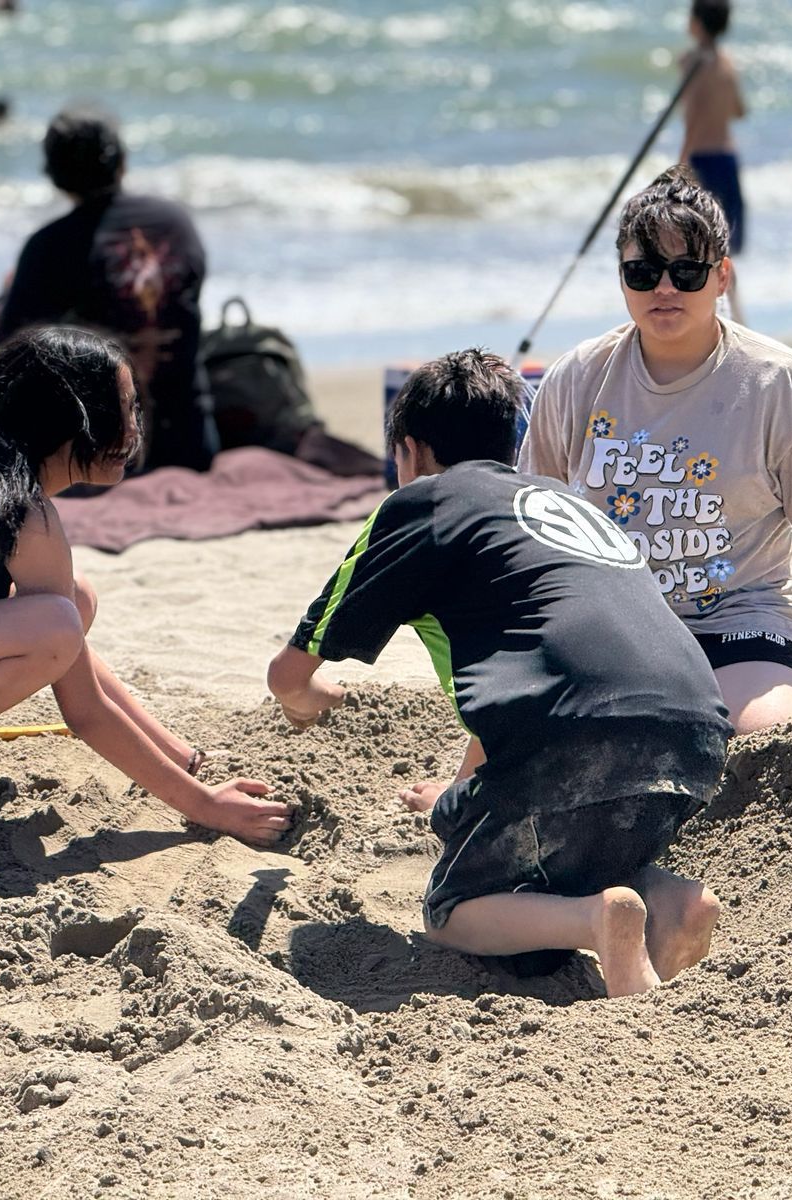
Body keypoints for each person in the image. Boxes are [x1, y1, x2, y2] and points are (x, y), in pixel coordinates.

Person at [267, 350, 733, 998]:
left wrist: (306, 699)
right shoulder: (567, 506)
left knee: (451, 911)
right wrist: (458, 801)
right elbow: (532, 677)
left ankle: (595, 921)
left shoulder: (424, 504)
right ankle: (672, 900)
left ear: (408, 451)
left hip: (574, 730)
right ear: (511, 443)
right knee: (577, 847)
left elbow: (289, 672)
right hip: (696, 727)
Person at [518, 167, 792, 753]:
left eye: (687, 271)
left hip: (742, 622)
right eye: (643, 273)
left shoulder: (778, 383)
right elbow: (528, 537)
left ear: (722, 276)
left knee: (758, 746)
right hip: (616, 627)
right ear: (621, 278)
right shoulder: (576, 378)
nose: (664, 289)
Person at [0, 326, 291, 846]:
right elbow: (83, 707)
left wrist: (182, 758)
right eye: (125, 411)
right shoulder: (22, 513)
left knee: (70, 600)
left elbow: (72, 654)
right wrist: (205, 806)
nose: (134, 430)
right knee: (53, 623)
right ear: (73, 421)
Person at [0, 106, 216, 471]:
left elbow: (4, 354)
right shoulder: (176, 223)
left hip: (107, 457)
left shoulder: (51, 247)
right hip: (191, 441)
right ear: (121, 160)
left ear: (55, 176)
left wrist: (3, 299)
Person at [679, 0, 747, 324]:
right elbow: (739, 110)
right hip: (728, 157)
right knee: (724, 245)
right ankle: (736, 316)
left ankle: (717, 319)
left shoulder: (692, 61)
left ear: (697, 23)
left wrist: (681, 161)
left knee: (701, 243)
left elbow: (691, 116)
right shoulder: (727, 63)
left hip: (703, 157)